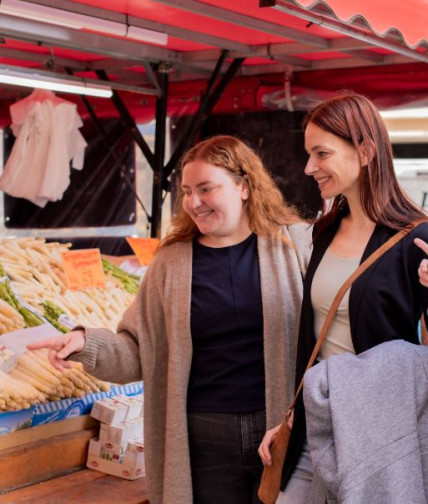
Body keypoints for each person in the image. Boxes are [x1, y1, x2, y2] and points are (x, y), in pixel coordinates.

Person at [28, 135, 312, 504]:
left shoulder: (295, 247)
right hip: (203, 437)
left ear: (244, 186)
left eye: (206, 189)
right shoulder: (172, 263)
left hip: (282, 433)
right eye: (187, 191)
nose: (194, 202)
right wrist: (86, 343)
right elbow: (137, 350)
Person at [258, 93, 428, 503]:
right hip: (315, 425)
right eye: (308, 154)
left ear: (366, 151)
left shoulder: (415, 239)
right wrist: (293, 414)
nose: (308, 168)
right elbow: (316, 336)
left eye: (321, 154)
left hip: (377, 437)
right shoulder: (325, 230)